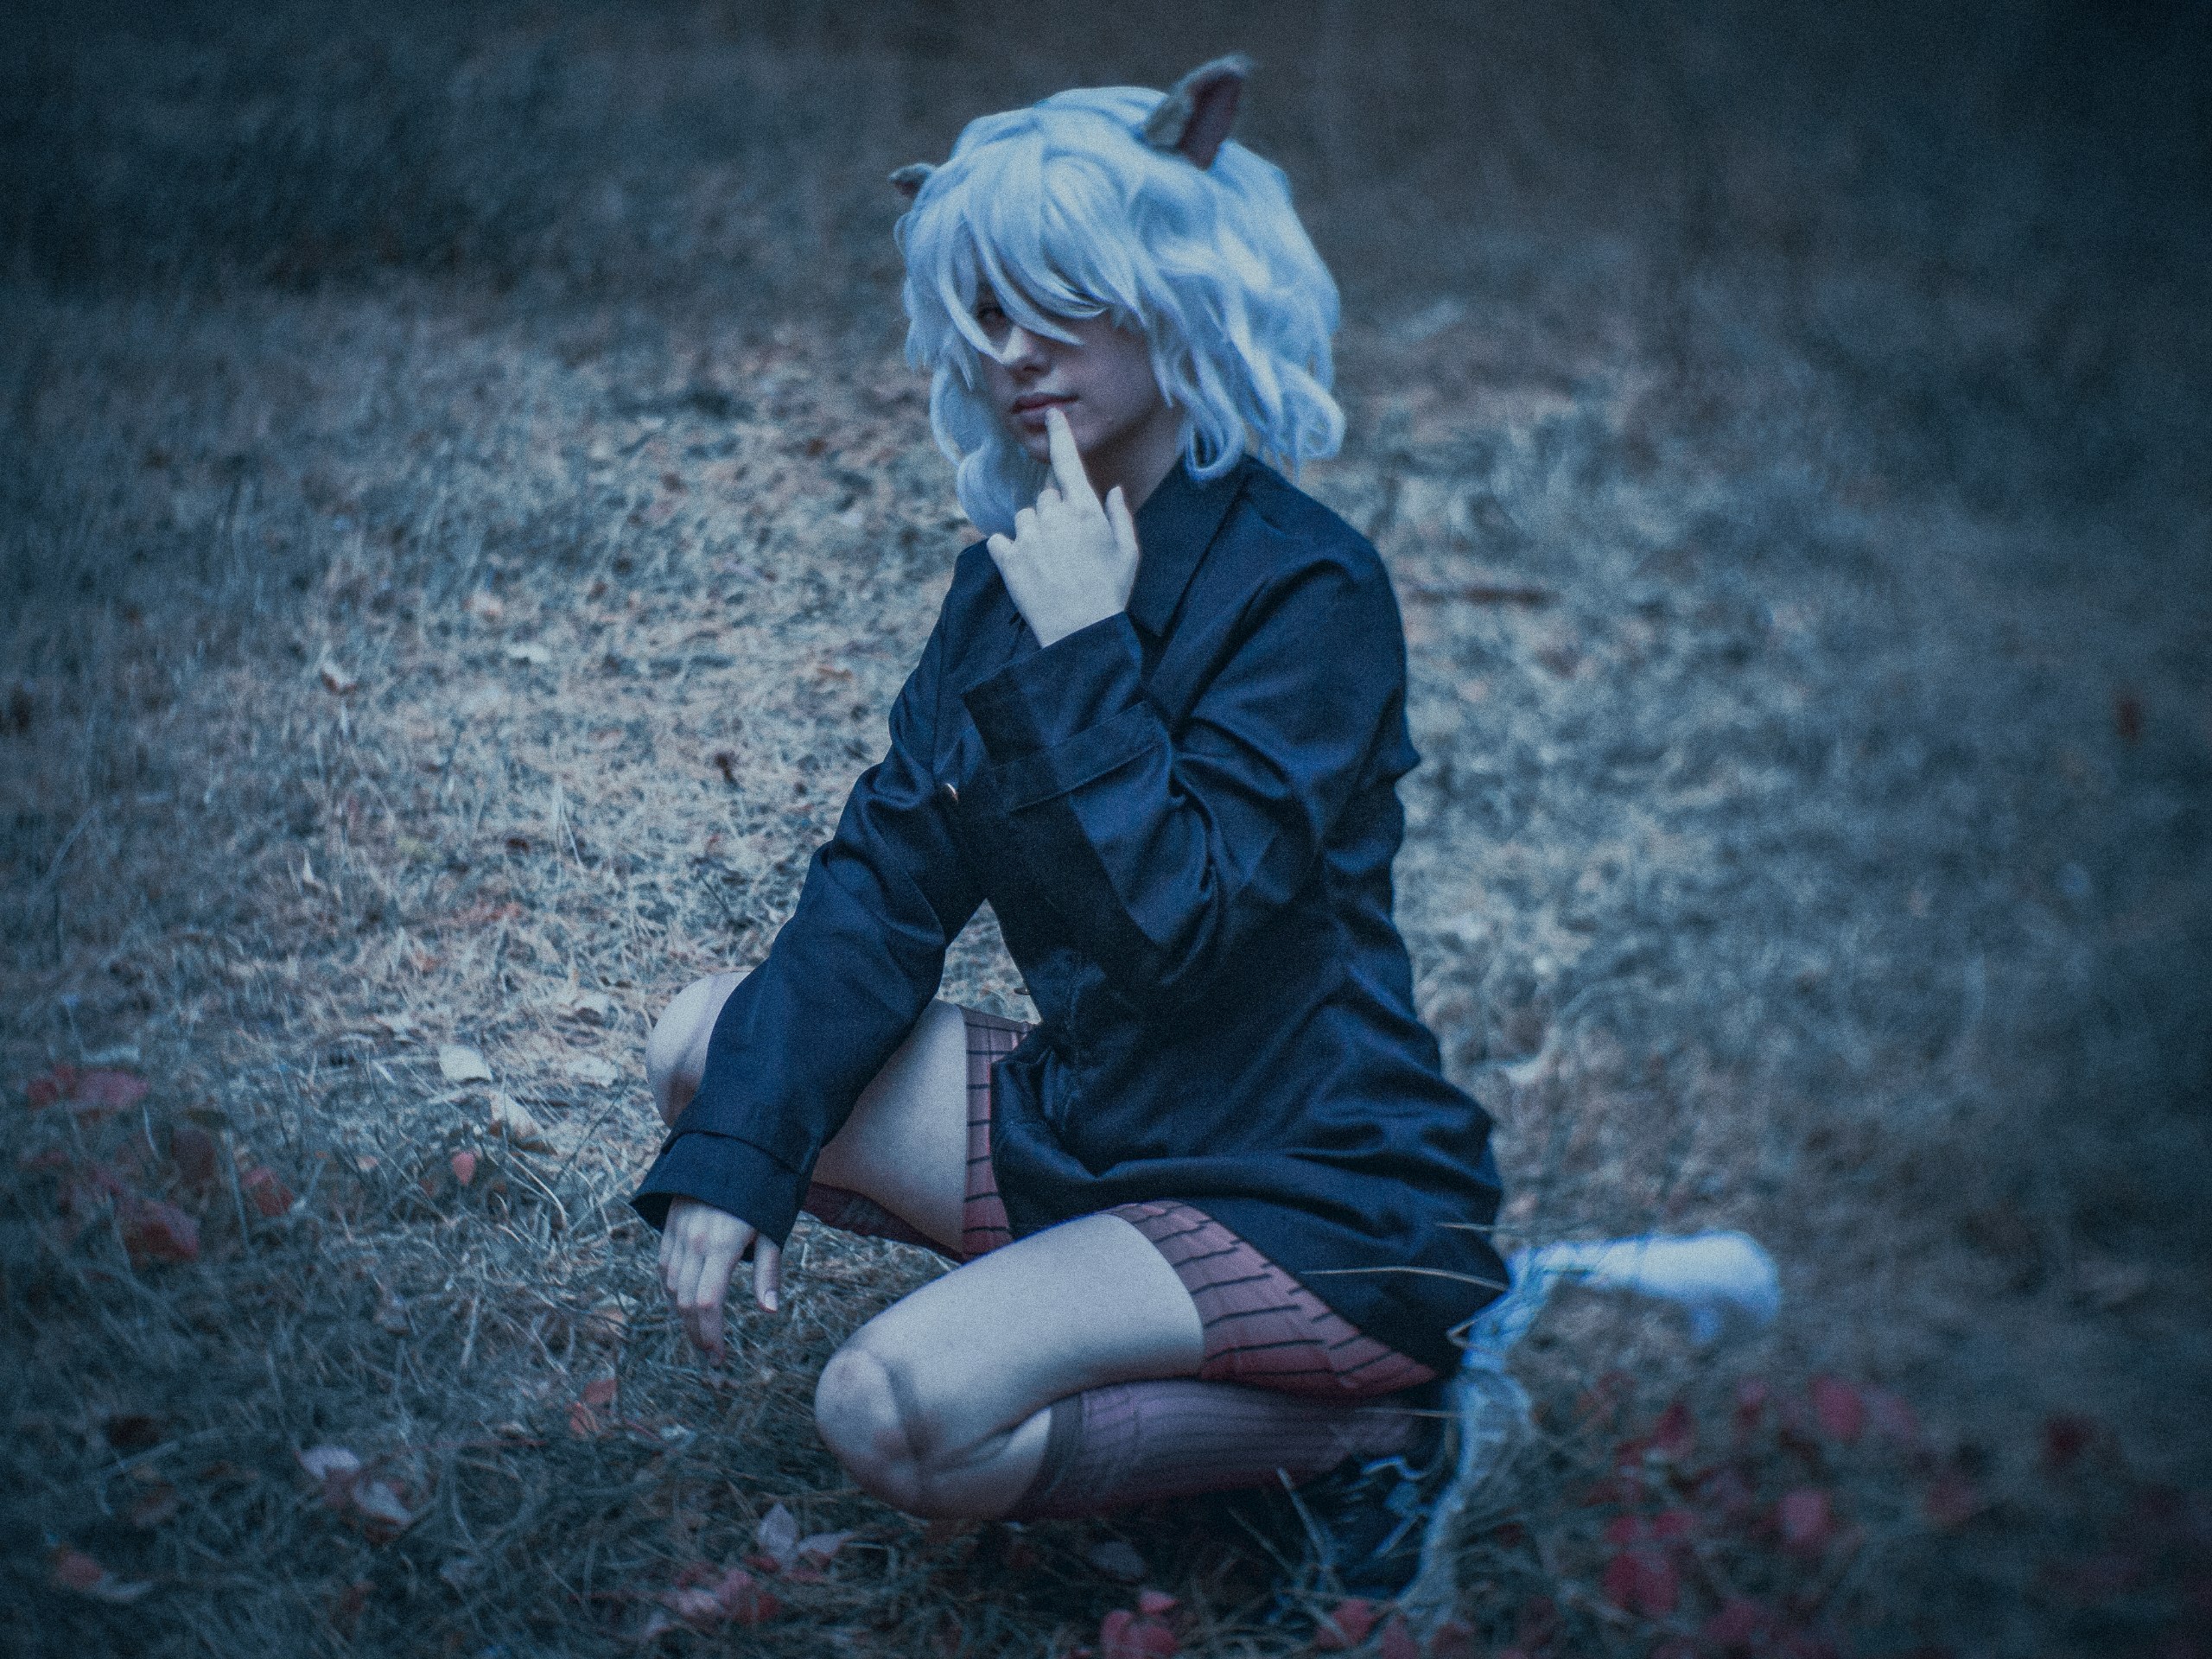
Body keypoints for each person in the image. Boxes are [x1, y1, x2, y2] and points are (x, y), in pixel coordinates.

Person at [632, 56, 1512, 1602]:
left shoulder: (1312, 588)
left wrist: (1087, 648)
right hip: (1098, 1125)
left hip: (1310, 1178)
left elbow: (1182, 927)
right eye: (985, 312)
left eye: (1064, 301)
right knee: (711, 1056)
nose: (1017, 351)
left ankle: (1379, 1432)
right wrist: (736, 1159)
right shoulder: (1006, 582)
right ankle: (1127, 1334)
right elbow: (881, 885)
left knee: (890, 1410)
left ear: (1176, 296)